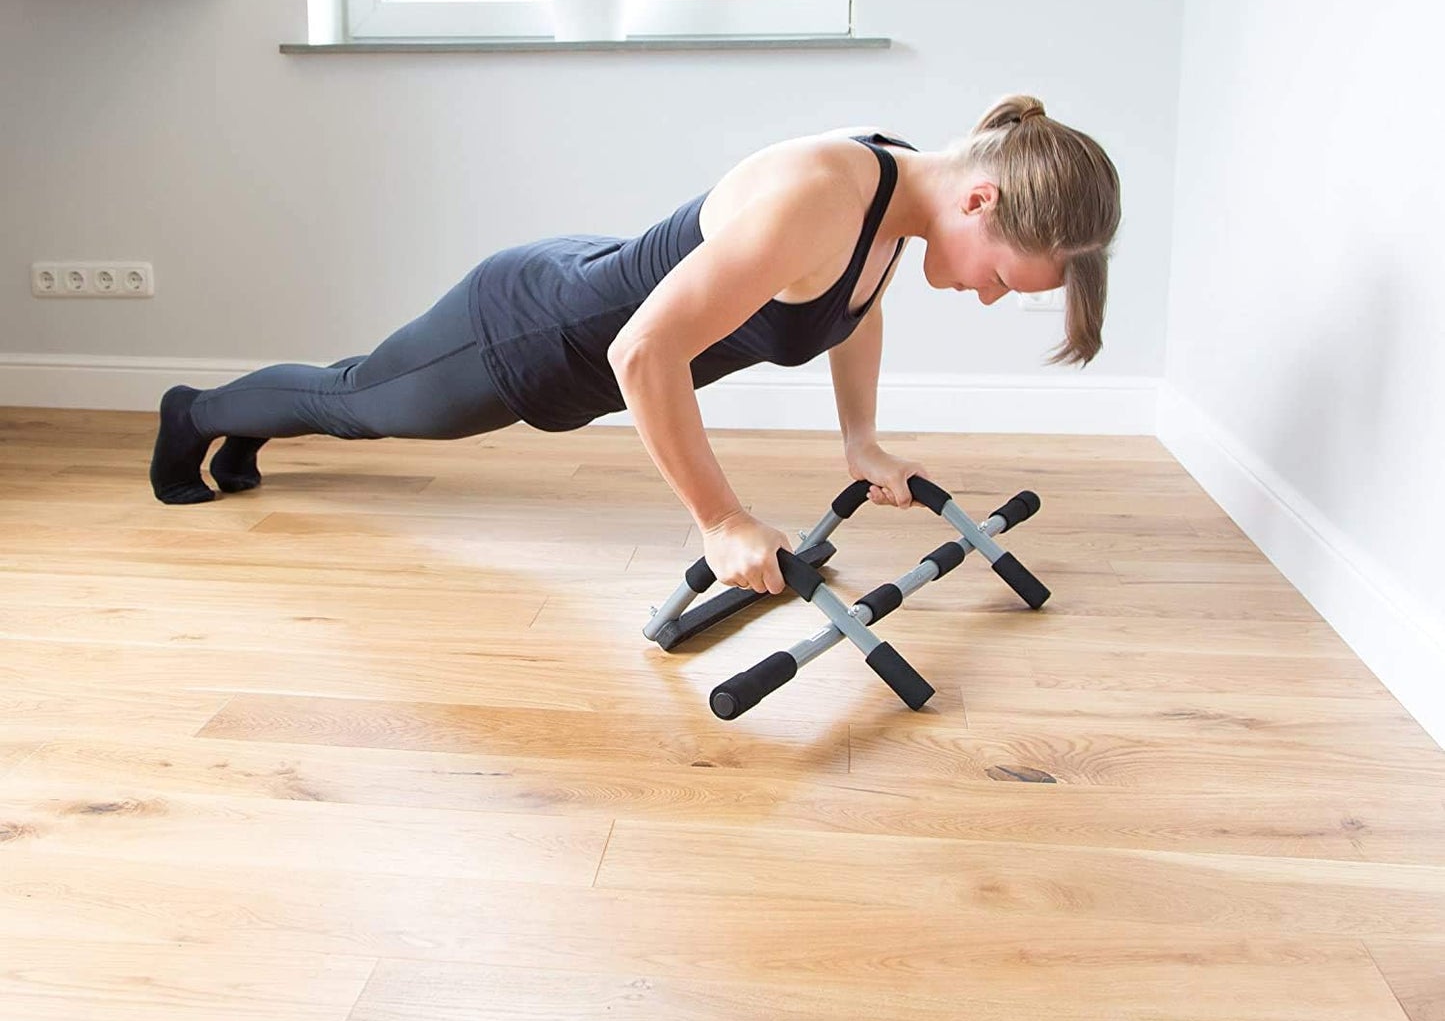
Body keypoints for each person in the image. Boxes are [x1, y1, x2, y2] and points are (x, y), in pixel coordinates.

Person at [149, 94, 1120, 596]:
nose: (989, 297)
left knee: (353, 398)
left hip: (577, 299)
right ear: (981, 200)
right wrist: (721, 517)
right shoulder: (824, 193)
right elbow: (644, 354)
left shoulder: (898, 198)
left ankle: (240, 435)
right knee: (356, 400)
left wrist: (860, 441)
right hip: (527, 334)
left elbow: (854, 306)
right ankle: (194, 412)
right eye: (1002, 277)